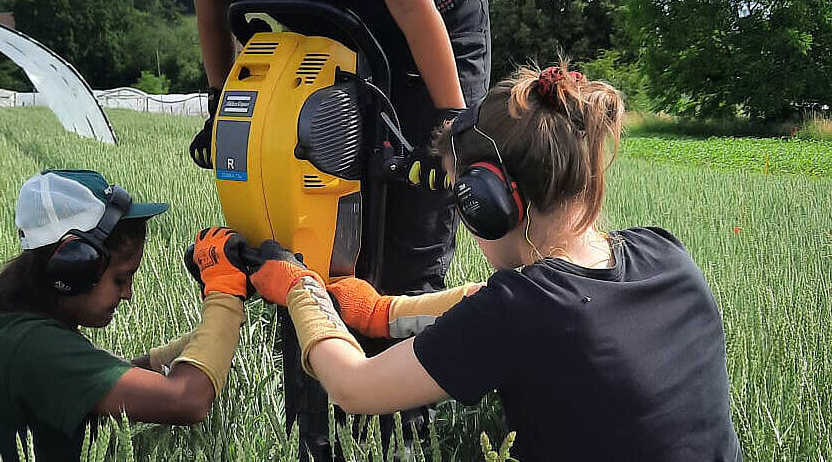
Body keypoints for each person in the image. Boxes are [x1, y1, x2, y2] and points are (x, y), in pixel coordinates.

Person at [145, 0, 491, 452]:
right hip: (314, 44)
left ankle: (400, 439)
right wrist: (225, 112)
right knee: (297, 249)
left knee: (404, 251)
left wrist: (452, 125)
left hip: (422, 36)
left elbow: (411, 0)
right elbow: (212, 12)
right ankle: (322, 437)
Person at [246, 65, 743, 461]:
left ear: (493, 204)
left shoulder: (519, 310)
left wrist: (299, 287)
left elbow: (353, 388)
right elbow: (509, 307)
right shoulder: (665, 252)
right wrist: (372, 310)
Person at [0, 169, 251, 461]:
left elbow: (115, 380)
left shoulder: (10, 326)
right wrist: (225, 292)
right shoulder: (34, 346)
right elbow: (187, 400)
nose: (128, 293)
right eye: (121, 278)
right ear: (76, 266)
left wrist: (222, 324)